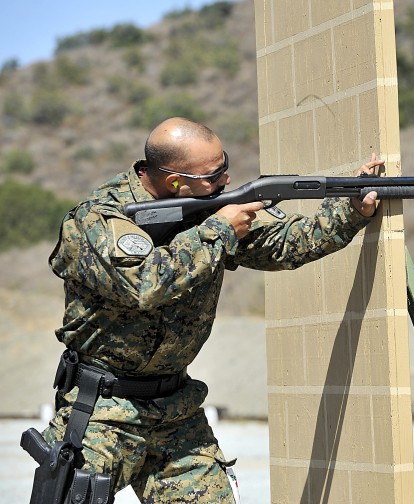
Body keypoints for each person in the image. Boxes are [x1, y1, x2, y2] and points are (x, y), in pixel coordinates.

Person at [32, 117, 384, 503]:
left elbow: (284, 245)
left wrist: (352, 209)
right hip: (102, 409)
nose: (226, 180)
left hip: (176, 408)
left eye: (224, 165)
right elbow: (145, 285)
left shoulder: (207, 210)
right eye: (213, 175)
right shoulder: (96, 219)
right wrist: (219, 230)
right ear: (175, 182)